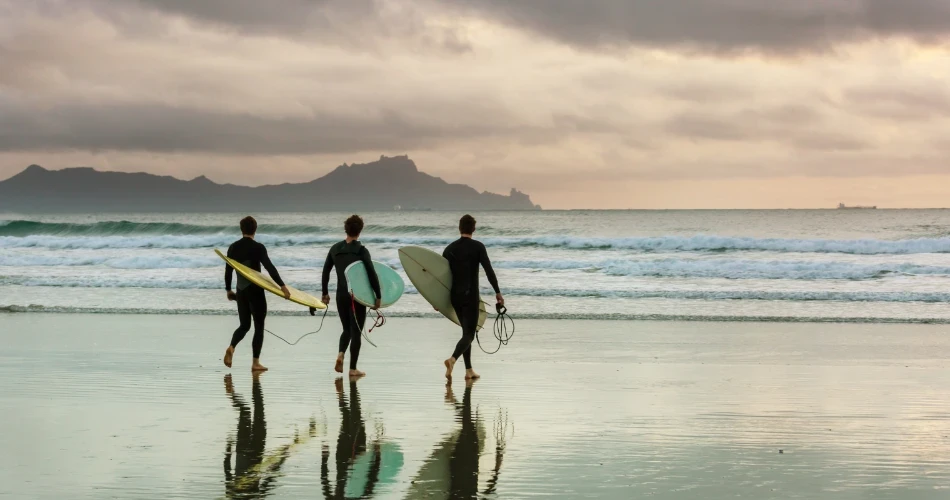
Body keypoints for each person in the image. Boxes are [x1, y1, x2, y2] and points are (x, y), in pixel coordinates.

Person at [223, 216, 290, 372]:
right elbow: (269, 267)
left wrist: (228, 290)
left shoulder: (233, 247)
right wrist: (282, 286)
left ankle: (232, 347)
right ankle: (255, 362)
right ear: (255, 229)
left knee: (244, 325)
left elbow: (228, 271)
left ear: (241, 229)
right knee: (259, 327)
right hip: (256, 291)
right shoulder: (258, 247)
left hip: (241, 289)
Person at [442, 214, 503, 380]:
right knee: (469, 334)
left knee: (465, 332)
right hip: (470, 296)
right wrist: (497, 292)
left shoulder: (449, 249)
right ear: (473, 229)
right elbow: (489, 270)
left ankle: (468, 370)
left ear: (459, 228)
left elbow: (441, 277)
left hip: (455, 296)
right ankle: (452, 359)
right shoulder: (478, 247)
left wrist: (437, 300)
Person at [322, 215, 381, 378]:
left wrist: (324, 292)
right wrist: (378, 295)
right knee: (356, 332)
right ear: (360, 231)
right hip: (357, 297)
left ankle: (341, 353)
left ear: (345, 229)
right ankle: (353, 369)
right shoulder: (362, 251)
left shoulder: (335, 249)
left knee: (346, 329)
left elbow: (326, 271)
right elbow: (371, 273)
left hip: (340, 295)